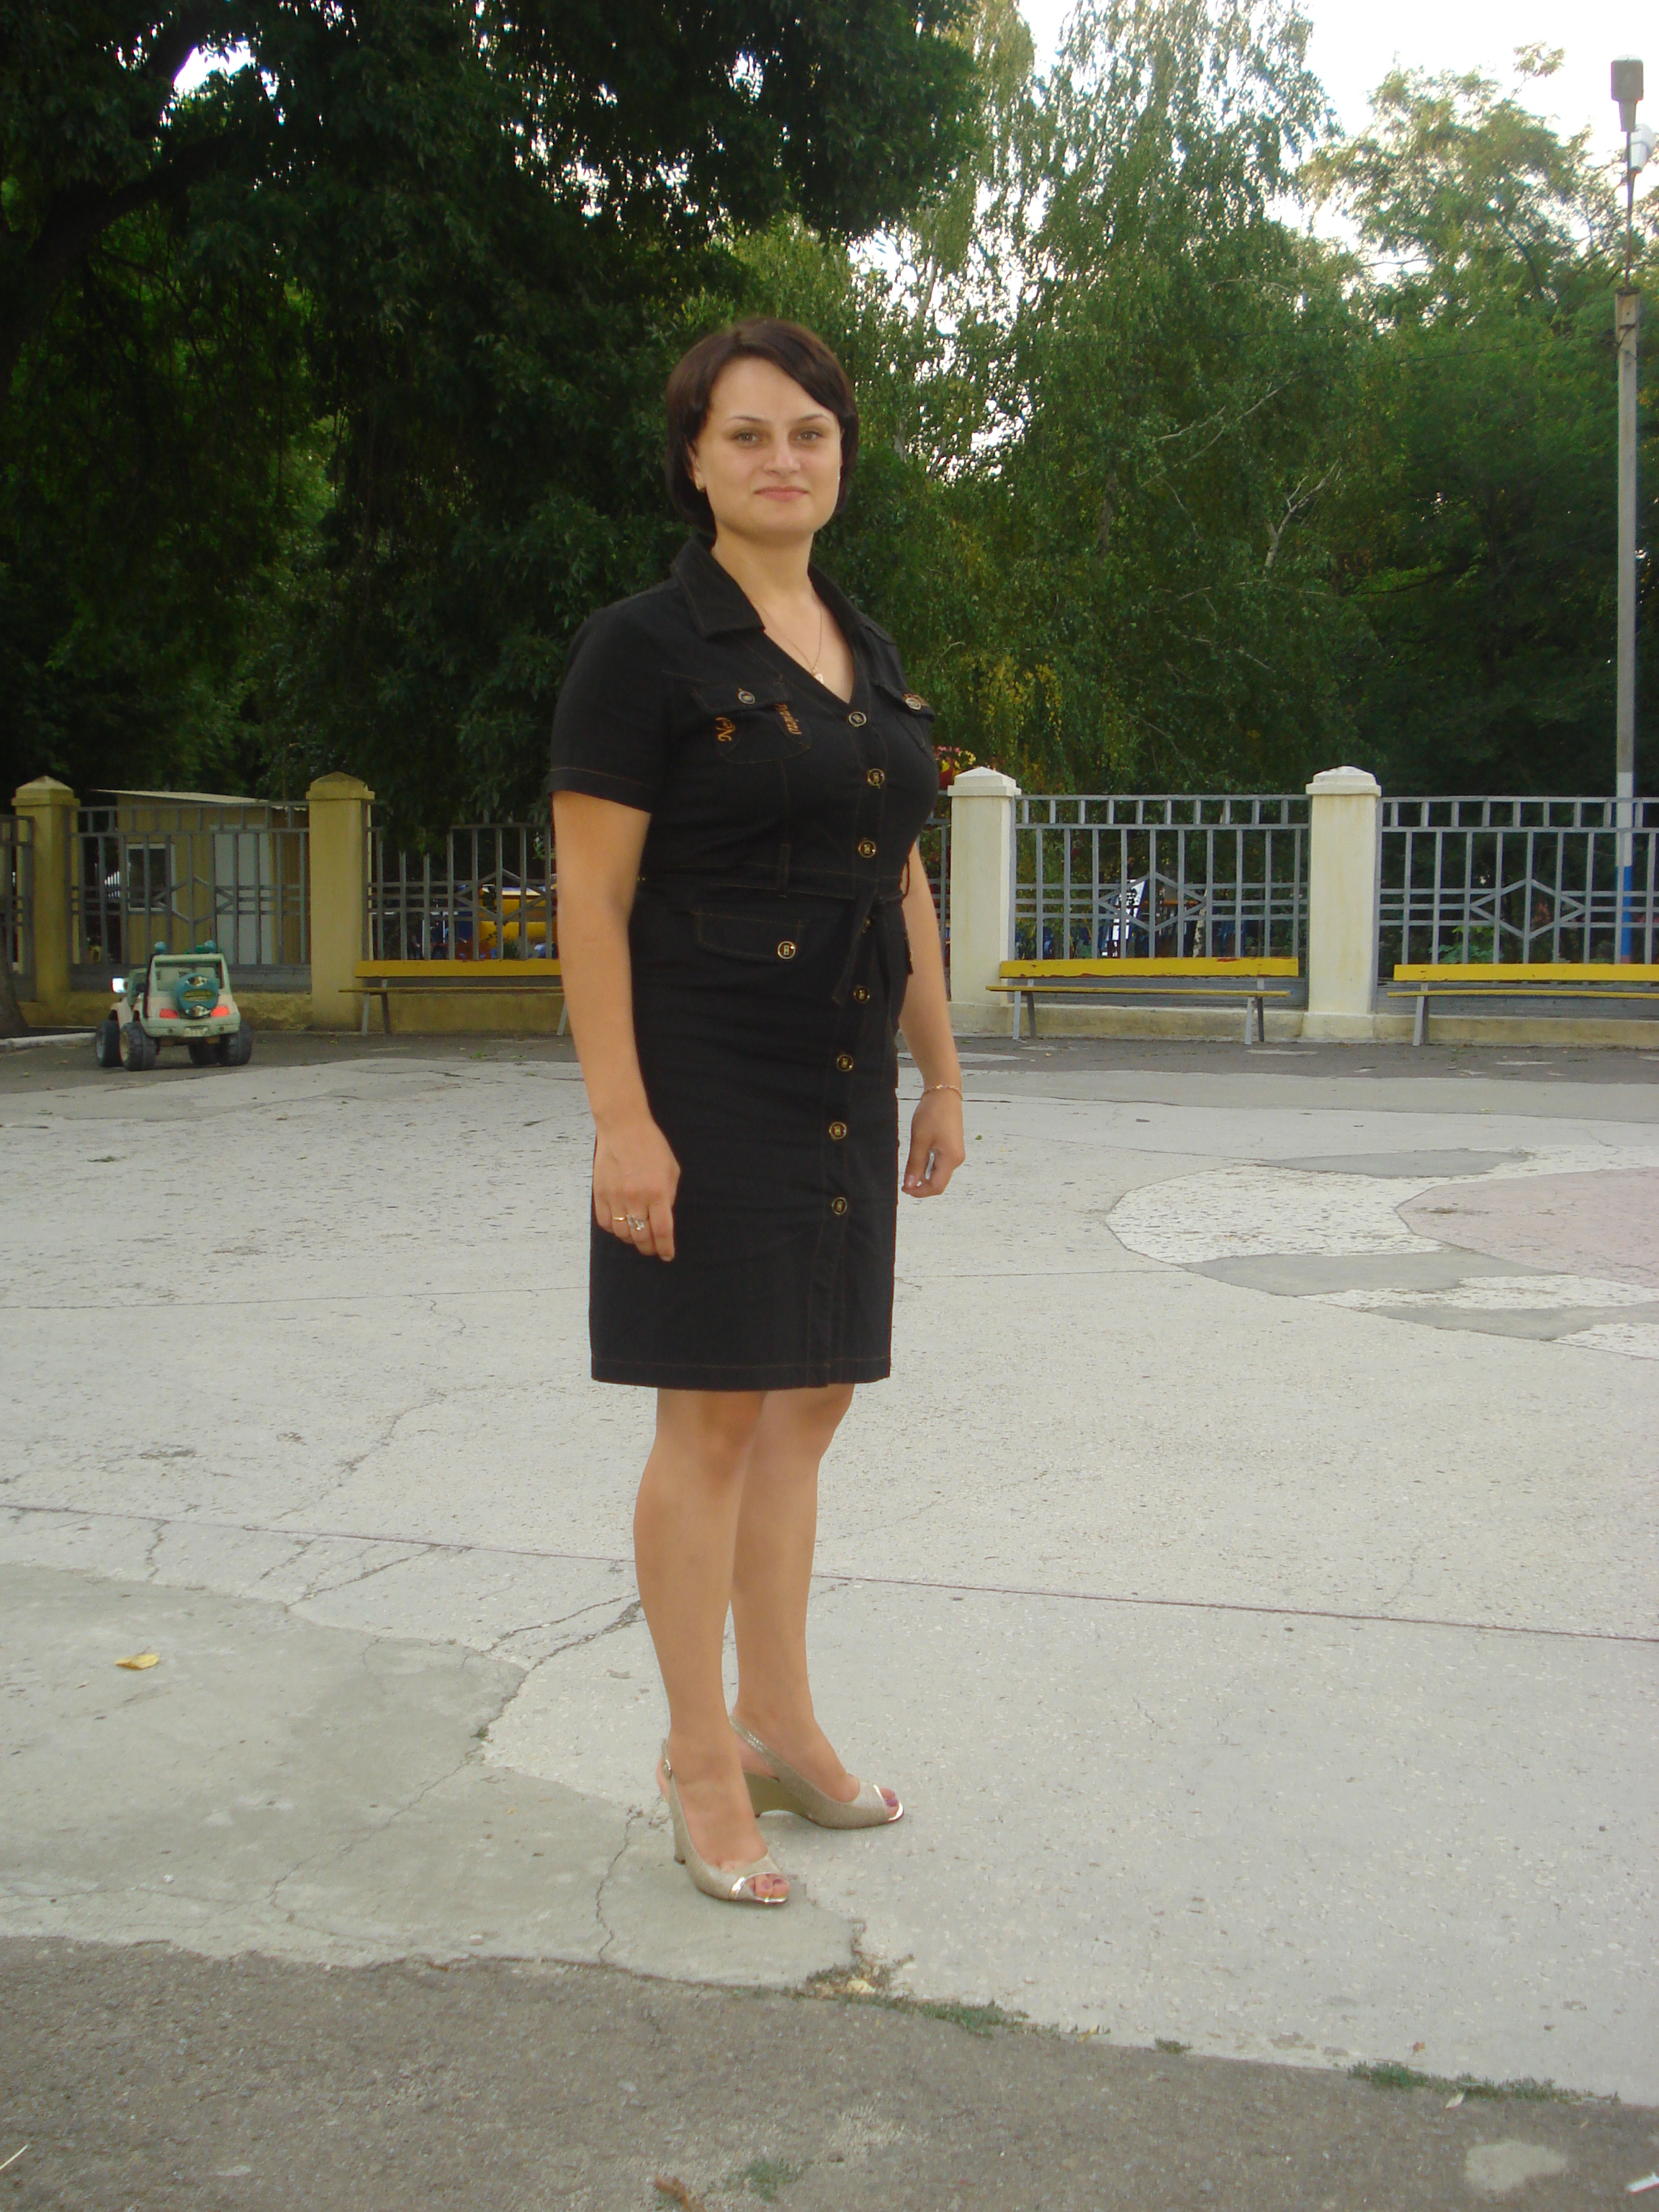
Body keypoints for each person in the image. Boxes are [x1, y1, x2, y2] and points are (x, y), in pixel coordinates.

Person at [549, 318, 966, 1907]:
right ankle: (697, 1758)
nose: (783, 458)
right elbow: (591, 899)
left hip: (843, 1073)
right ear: (697, 462)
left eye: (810, 432)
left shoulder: (867, 643)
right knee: (714, 1416)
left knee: (813, 1402)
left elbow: (900, 870)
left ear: (841, 456)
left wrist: (941, 1069)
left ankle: (780, 1724)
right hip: (705, 1069)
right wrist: (622, 1120)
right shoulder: (642, 648)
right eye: (748, 434)